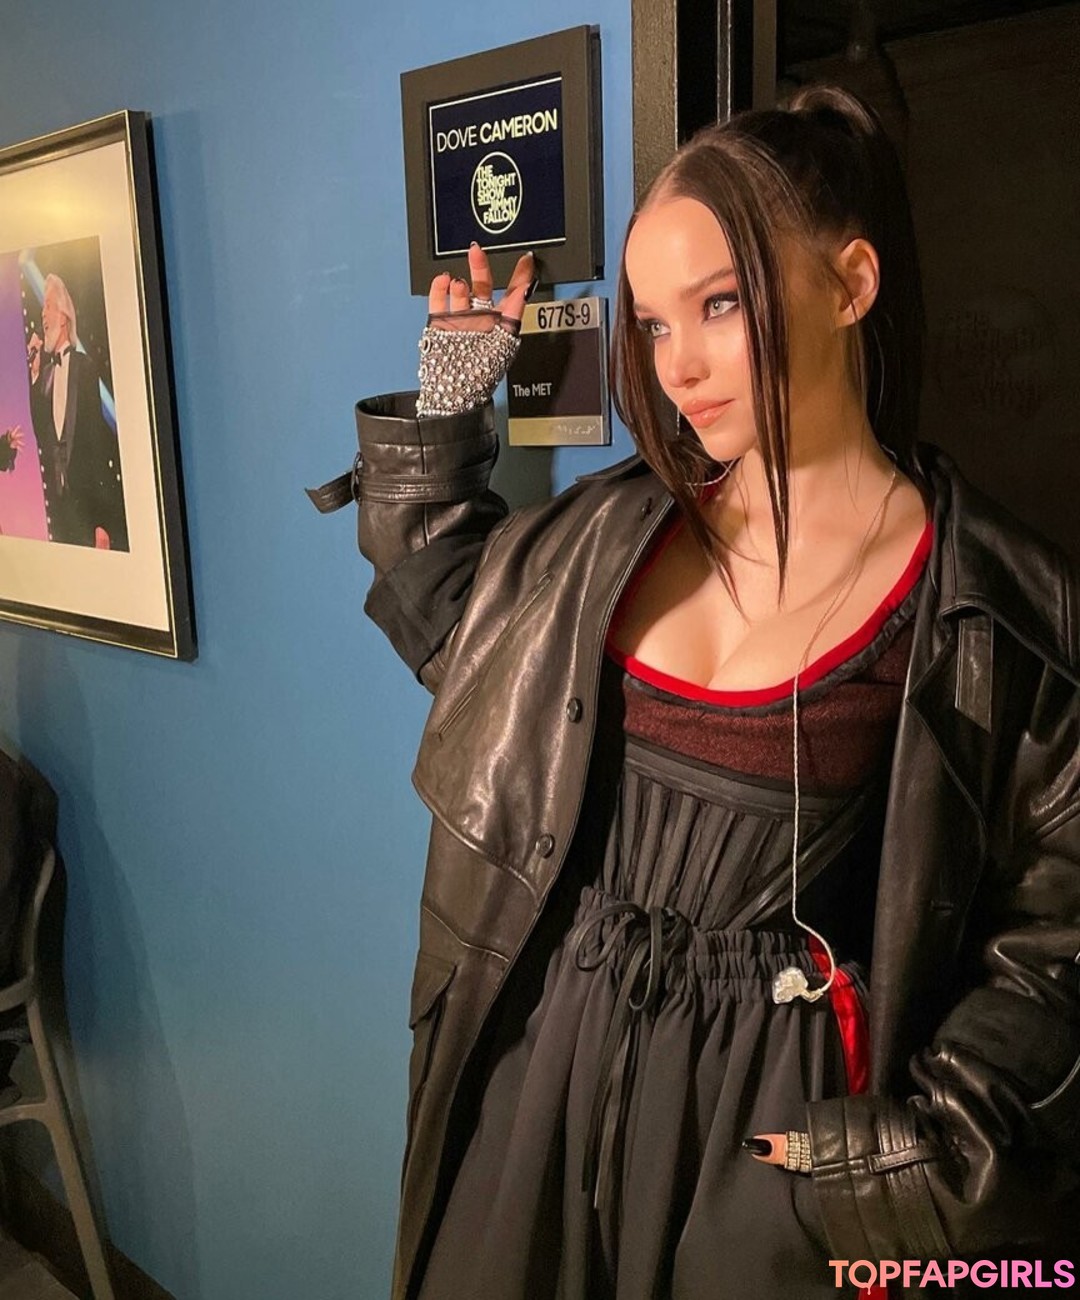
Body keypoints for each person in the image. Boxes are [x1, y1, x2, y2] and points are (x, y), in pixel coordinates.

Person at [314, 85, 1080, 1299]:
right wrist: (451, 406)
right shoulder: (611, 532)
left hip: (769, 1147)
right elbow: (461, 627)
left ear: (851, 283)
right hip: (543, 1078)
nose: (679, 367)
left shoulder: (996, 603)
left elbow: (1057, 935)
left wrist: (901, 1168)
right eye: (655, 322)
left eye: (721, 304)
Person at [27, 273, 128, 550]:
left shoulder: (85, 367)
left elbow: (97, 445)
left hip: (87, 511)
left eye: (48, 306)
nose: (42, 314)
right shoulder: (46, 376)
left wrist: (103, 522)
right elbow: (40, 431)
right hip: (60, 513)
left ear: (64, 317)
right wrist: (34, 374)